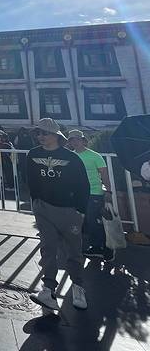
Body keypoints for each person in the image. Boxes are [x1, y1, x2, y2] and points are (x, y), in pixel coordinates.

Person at [28, 118, 90, 312]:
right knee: (48, 248)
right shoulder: (33, 154)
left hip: (68, 209)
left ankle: (78, 286)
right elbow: (29, 179)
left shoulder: (71, 158)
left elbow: (83, 185)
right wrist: (36, 201)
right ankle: (48, 289)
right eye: (38, 133)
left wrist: (80, 211)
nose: (41, 136)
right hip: (43, 208)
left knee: (73, 250)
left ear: (56, 136)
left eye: (45, 133)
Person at [67, 129, 114, 261]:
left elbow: (104, 175)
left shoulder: (95, 156)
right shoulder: (70, 156)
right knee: (82, 222)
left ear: (83, 140)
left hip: (93, 193)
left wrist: (109, 191)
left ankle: (103, 248)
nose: (75, 142)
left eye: (77, 139)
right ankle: (93, 246)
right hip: (77, 194)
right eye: (72, 140)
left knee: (94, 221)